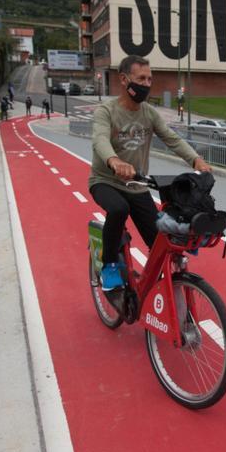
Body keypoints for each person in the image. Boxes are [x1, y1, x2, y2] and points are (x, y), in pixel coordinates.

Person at [89, 55, 211, 290]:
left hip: (136, 185)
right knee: (118, 209)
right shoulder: (106, 111)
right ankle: (110, 265)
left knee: (159, 240)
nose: (146, 84)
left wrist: (196, 160)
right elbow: (100, 139)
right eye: (141, 78)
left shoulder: (149, 113)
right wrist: (114, 160)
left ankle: (149, 288)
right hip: (105, 181)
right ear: (124, 80)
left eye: (149, 79)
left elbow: (171, 138)